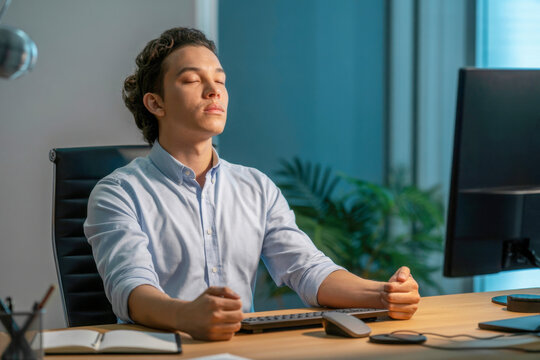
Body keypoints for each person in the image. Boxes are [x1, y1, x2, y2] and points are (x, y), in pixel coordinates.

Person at [84, 27, 420, 341]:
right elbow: (130, 289)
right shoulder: (119, 192)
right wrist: (186, 316)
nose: (214, 89)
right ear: (156, 103)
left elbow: (306, 269)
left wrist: (383, 294)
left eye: (220, 80)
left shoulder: (255, 187)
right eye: (191, 80)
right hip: (163, 352)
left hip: (241, 350)